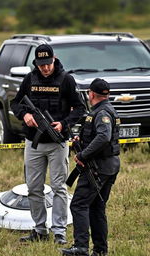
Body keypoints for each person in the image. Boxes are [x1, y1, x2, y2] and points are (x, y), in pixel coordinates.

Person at [10, 44, 86, 244]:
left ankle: (59, 230)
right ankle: (39, 229)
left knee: (59, 187)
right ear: (36, 63)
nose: (45, 68)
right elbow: (15, 103)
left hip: (57, 143)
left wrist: (64, 124)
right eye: (41, 65)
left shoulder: (66, 80)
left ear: (54, 59)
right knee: (34, 187)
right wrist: (25, 114)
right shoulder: (30, 79)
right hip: (33, 143)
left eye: (48, 64)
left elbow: (80, 108)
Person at [61, 78, 120, 256]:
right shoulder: (105, 110)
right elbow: (98, 135)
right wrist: (82, 141)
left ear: (91, 94)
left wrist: (83, 155)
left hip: (98, 168)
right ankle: (100, 250)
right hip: (108, 166)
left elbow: (103, 136)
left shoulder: (101, 113)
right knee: (96, 207)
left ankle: (80, 248)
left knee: (78, 204)